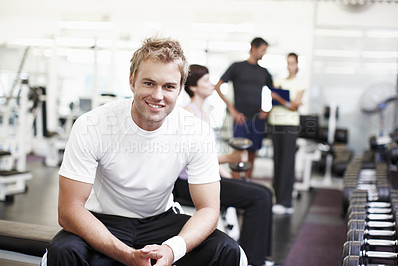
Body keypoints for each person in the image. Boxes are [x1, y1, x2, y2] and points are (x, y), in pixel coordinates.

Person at [41, 37, 245, 266]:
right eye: (149, 83)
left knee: (226, 249)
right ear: (132, 82)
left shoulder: (196, 130)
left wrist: (172, 250)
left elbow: (208, 208)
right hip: (104, 220)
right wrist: (126, 255)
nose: (158, 95)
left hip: (162, 220)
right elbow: (69, 210)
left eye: (168, 86)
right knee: (62, 251)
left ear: (179, 90)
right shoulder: (91, 124)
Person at [173, 64, 274, 266]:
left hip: (206, 179)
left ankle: (260, 257)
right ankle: (252, 260)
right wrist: (229, 158)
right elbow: (193, 158)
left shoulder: (203, 113)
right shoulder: (188, 114)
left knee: (266, 192)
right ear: (193, 87)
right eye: (206, 81)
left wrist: (226, 173)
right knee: (258, 197)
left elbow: (208, 156)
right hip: (189, 185)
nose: (212, 85)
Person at [215, 37, 273, 179]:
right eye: (262, 50)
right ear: (253, 48)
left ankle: (247, 181)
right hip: (240, 118)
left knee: (252, 152)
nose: (263, 54)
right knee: (238, 152)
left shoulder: (263, 72)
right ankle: (236, 182)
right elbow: (217, 86)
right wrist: (232, 110)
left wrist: (268, 110)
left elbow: (275, 93)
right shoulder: (237, 67)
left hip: (257, 119)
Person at [268, 52, 306, 215]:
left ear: (296, 65)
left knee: (287, 162)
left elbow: (294, 106)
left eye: (292, 63)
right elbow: (273, 100)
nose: (289, 66)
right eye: (287, 63)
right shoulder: (278, 81)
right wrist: (280, 100)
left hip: (290, 125)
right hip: (275, 122)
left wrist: (281, 99)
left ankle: (286, 202)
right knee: (277, 161)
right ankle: (277, 199)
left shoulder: (301, 82)